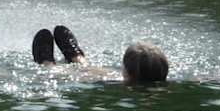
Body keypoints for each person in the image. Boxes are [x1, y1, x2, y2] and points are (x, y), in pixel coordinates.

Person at [31, 25, 169, 85]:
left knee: (59, 72)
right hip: (125, 80)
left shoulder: (115, 82)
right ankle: (77, 58)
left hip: (107, 81)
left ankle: (47, 64)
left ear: (126, 71)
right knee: (95, 70)